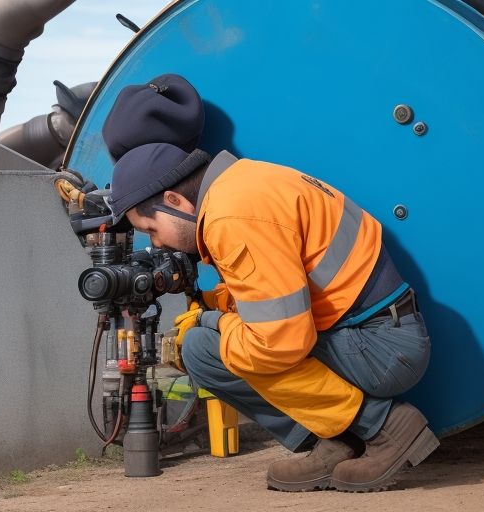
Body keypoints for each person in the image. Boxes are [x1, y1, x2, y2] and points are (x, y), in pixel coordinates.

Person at [102, 77, 438, 493]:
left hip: (381, 347)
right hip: (378, 330)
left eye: (151, 229)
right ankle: (334, 442)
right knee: (212, 335)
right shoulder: (244, 183)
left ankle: (384, 427)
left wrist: (214, 323)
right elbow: (276, 290)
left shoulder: (233, 217)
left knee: (204, 350)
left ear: (175, 202)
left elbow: (279, 341)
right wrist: (211, 304)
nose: (156, 243)